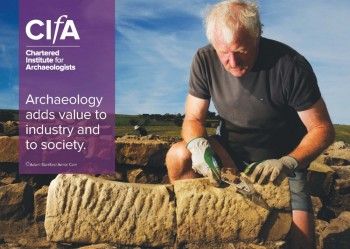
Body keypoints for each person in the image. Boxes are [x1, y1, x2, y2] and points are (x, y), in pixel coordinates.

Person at [165, 1, 335, 248]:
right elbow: (193, 119)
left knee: (302, 242)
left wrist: (288, 162)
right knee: (179, 155)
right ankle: (200, 233)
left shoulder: (290, 66)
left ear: (257, 36)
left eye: (240, 50)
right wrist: (198, 144)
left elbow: (322, 129)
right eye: (223, 52)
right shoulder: (204, 59)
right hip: (231, 152)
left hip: (283, 161)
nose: (232, 62)